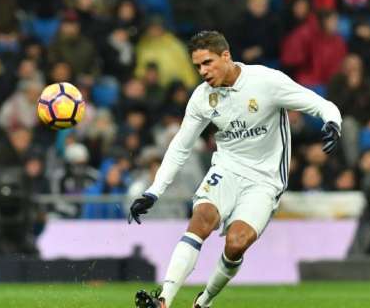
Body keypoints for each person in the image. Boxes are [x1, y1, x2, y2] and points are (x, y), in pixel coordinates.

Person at [128, 31, 342, 308]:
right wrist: (154, 191)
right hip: (227, 168)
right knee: (202, 217)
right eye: (197, 66)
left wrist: (332, 122)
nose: (202, 72)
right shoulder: (202, 98)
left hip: (265, 180)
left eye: (207, 63)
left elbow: (320, 104)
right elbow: (180, 146)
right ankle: (164, 300)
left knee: (236, 243)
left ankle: (203, 301)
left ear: (226, 56)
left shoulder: (266, 81)